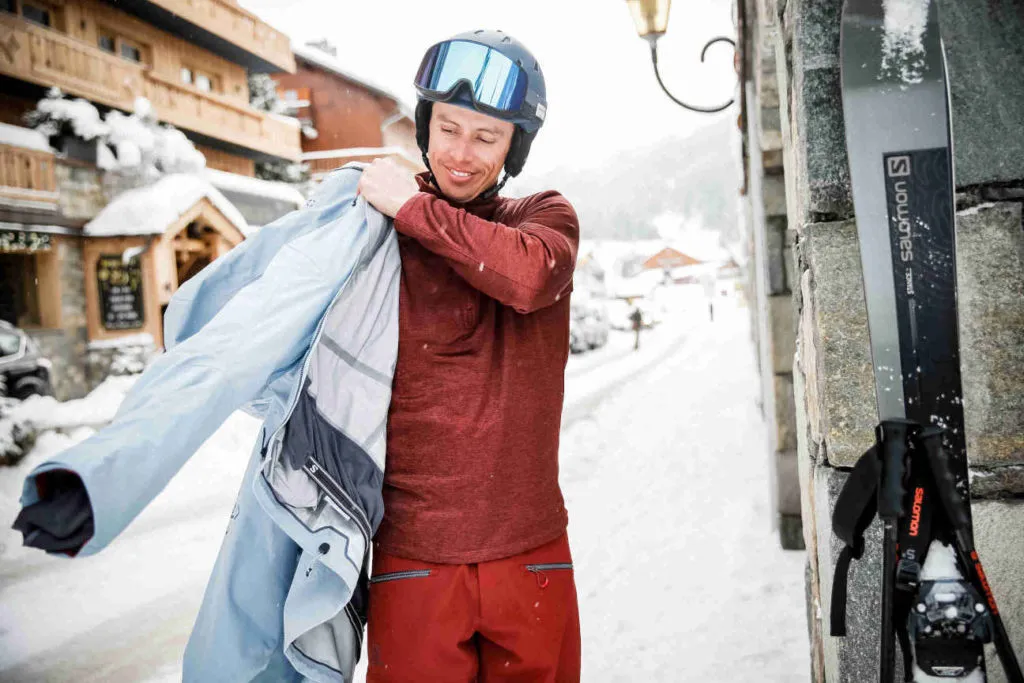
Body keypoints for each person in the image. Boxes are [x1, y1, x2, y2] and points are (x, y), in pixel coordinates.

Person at [355, 30, 582, 682]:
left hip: (530, 549)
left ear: (517, 147)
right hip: (414, 555)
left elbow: (530, 276)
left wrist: (412, 206)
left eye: (486, 137)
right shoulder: (375, 228)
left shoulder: (543, 217)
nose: (459, 153)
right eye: (447, 127)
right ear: (426, 124)